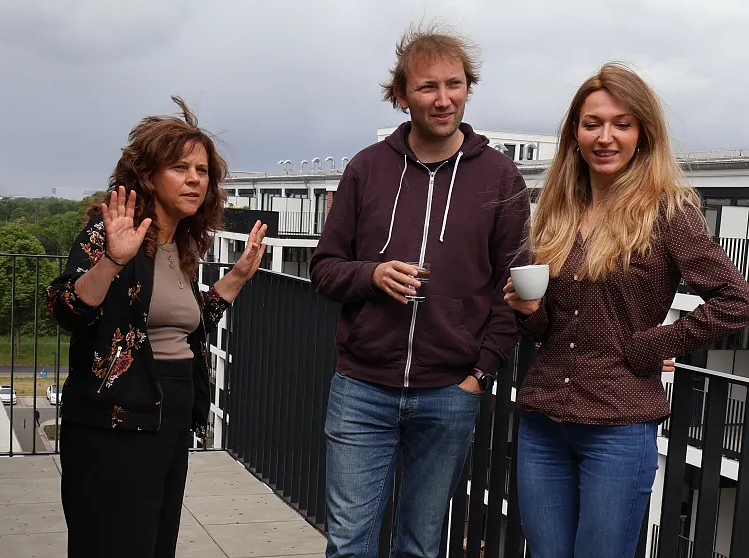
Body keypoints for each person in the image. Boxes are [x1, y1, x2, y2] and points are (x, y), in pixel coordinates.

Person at [504, 63, 749, 558]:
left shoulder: (668, 210)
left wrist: (652, 345)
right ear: (575, 132)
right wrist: (529, 310)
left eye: (621, 123)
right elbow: (550, 328)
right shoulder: (557, 209)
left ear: (643, 133)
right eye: (592, 123)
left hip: (618, 427)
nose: (605, 136)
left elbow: (735, 300)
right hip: (543, 423)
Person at [310, 24, 529, 557]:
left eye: (454, 85)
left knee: (421, 548)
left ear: (468, 89)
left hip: (450, 392)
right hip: (362, 388)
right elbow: (324, 270)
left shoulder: (501, 178)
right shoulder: (366, 168)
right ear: (401, 95)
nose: (443, 99)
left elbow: (517, 289)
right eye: (427, 87)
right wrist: (372, 275)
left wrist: (480, 375)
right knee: (347, 545)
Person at [46, 96, 267, 558]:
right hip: (114, 423)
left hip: (168, 414)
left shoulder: (179, 245)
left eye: (202, 171)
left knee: (154, 541)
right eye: (180, 168)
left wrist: (238, 277)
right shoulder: (112, 233)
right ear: (148, 177)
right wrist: (111, 260)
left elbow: (183, 328)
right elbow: (66, 309)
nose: (194, 179)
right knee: (113, 543)